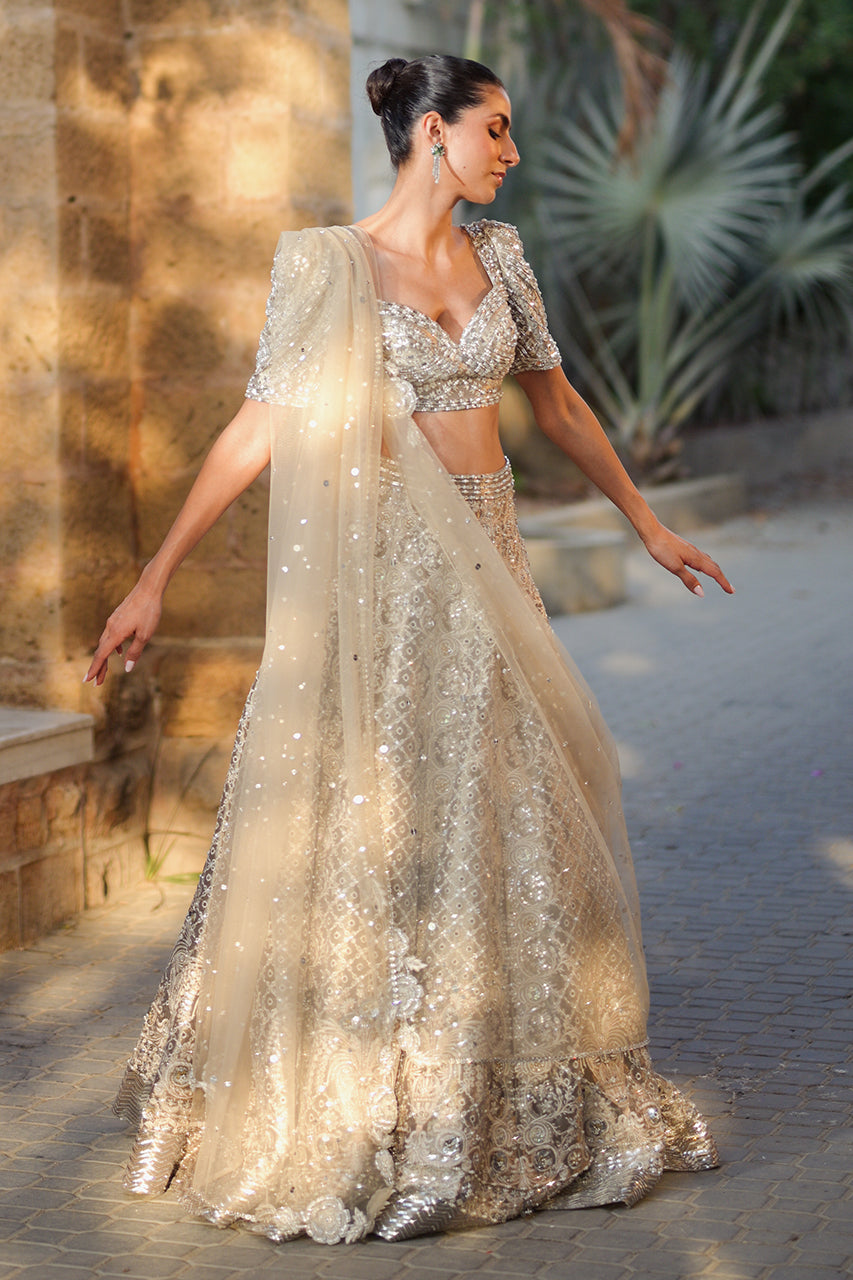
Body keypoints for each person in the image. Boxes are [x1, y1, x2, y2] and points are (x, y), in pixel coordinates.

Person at [87, 54, 731, 1245]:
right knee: (369, 817)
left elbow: (558, 404)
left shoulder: (502, 257)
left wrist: (646, 523)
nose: (510, 152)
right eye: (495, 130)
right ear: (432, 131)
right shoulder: (328, 265)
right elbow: (259, 425)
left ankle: (492, 1095)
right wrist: (154, 575)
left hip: (493, 564)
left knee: (510, 811)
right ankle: (362, 1098)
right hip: (386, 582)